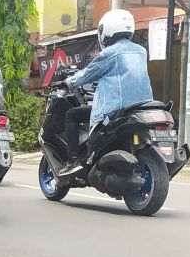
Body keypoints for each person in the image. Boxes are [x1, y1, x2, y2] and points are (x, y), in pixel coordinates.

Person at [59, 9, 154, 173]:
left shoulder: (109, 53)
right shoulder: (141, 51)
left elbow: (87, 74)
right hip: (143, 107)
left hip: (116, 109)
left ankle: (73, 161)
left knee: (72, 115)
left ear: (108, 30)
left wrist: (67, 82)